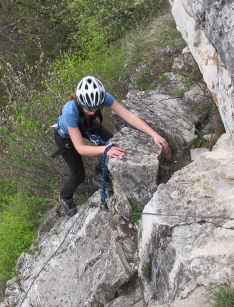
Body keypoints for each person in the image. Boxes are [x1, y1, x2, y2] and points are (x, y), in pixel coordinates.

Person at [53, 76, 170, 217]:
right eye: (88, 108)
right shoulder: (70, 111)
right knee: (78, 174)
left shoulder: (104, 98)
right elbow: (80, 148)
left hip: (87, 125)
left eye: (95, 108)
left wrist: (154, 134)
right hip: (65, 137)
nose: (92, 112)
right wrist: (104, 149)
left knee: (113, 142)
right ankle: (65, 197)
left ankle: (99, 173)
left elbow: (128, 116)